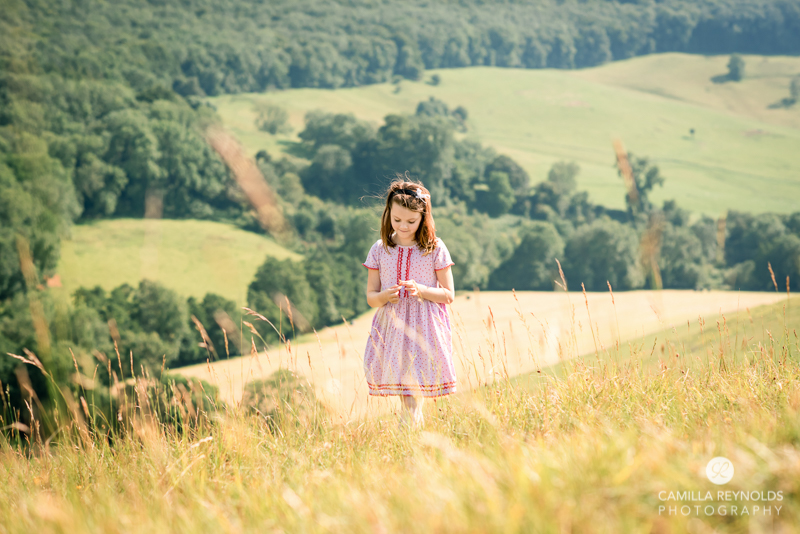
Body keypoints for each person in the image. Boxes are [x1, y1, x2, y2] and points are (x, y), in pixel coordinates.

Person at [362, 178, 457, 428]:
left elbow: (449, 294)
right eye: (397, 220)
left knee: (414, 388)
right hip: (392, 324)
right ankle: (412, 432)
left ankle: (411, 432)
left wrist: (422, 290)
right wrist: (384, 297)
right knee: (405, 388)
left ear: (423, 217)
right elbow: (371, 297)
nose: (403, 226)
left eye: (411, 221)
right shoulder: (380, 249)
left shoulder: (434, 248)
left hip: (424, 324)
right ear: (388, 215)